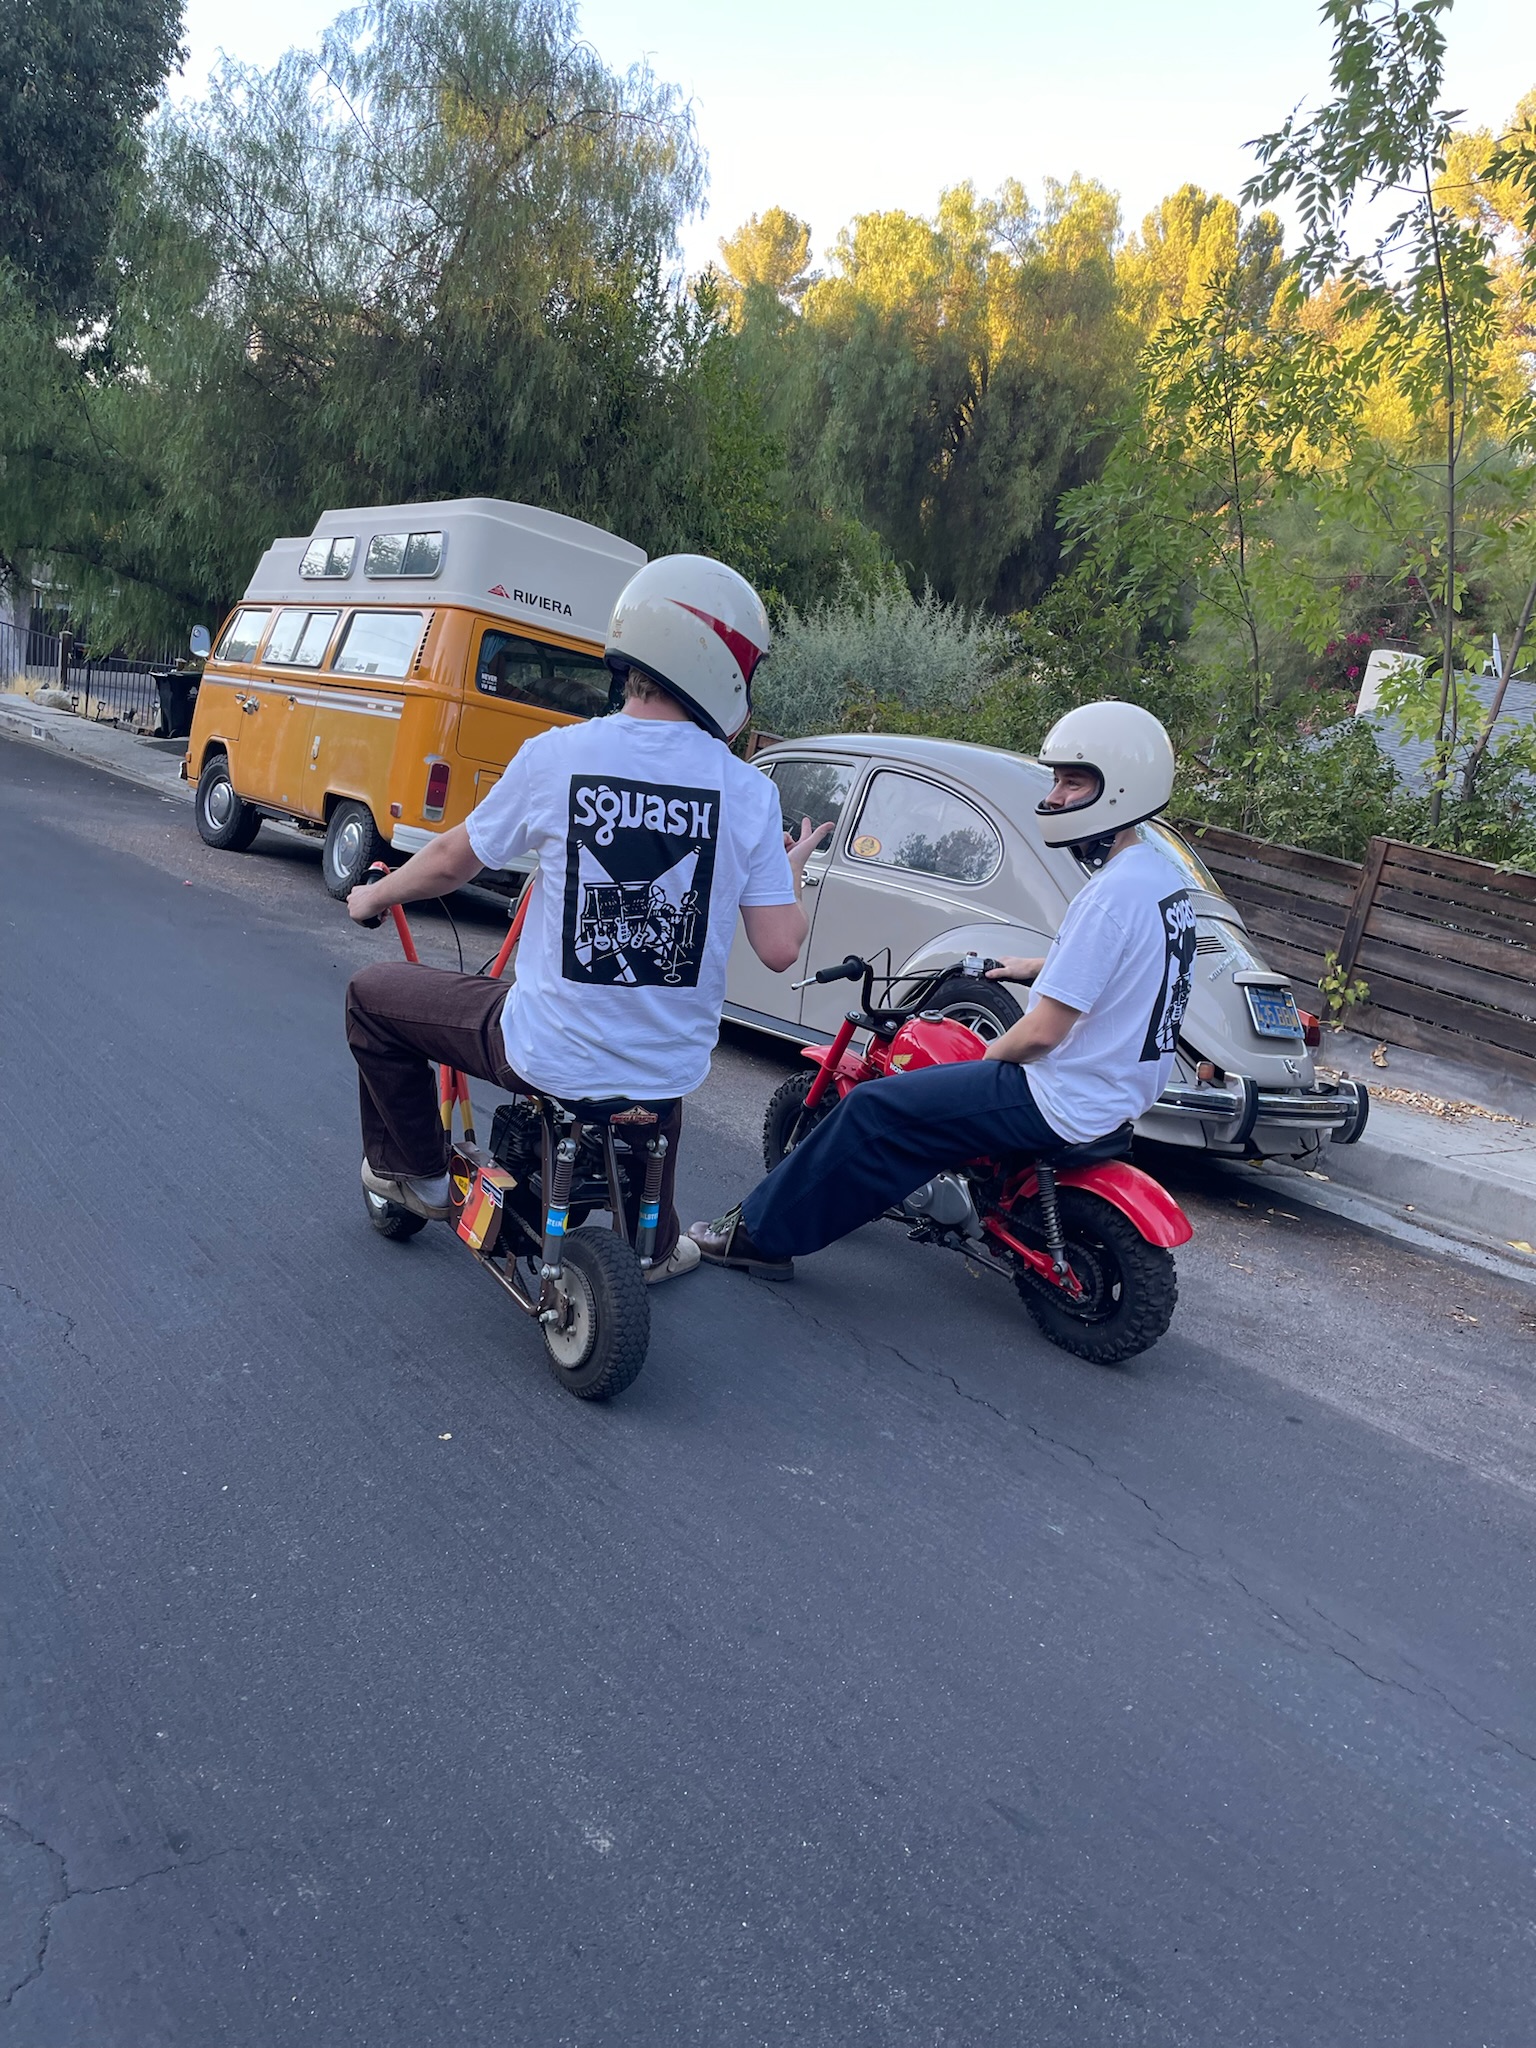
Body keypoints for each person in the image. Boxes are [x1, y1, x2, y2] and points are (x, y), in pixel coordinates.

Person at [344, 553, 830, 1282]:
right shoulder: (748, 793)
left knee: (371, 999)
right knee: (654, 1073)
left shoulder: (558, 756)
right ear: (720, 665)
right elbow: (781, 946)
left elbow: (453, 860)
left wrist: (374, 896)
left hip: (546, 1052)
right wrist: (785, 873)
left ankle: (420, 1176)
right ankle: (656, 1245)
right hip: (666, 1075)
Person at [688, 701, 1197, 1278]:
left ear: (1122, 789)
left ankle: (758, 1237)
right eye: (1055, 779)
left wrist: (985, 1061)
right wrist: (1035, 966)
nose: (1054, 797)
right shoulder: (1161, 882)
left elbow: (1040, 1034)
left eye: (1073, 782)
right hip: (1119, 1091)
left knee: (876, 1108)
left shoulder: (1107, 896)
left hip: (1064, 1096)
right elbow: (1128, 970)